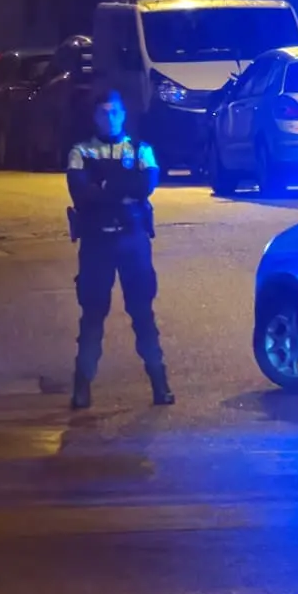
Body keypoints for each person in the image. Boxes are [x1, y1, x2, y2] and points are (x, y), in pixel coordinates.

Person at [65, 89, 172, 410]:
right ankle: (81, 388)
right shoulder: (80, 151)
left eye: (115, 112)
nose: (109, 118)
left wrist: (105, 186)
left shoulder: (142, 150)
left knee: (142, 313)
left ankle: (160, 384)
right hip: (97, 242)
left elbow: (145, 186)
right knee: (93, 315)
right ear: (94, 117)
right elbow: (81, 193)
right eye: (102, 113)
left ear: (124, 115)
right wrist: (121, 188)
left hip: (132, 241)